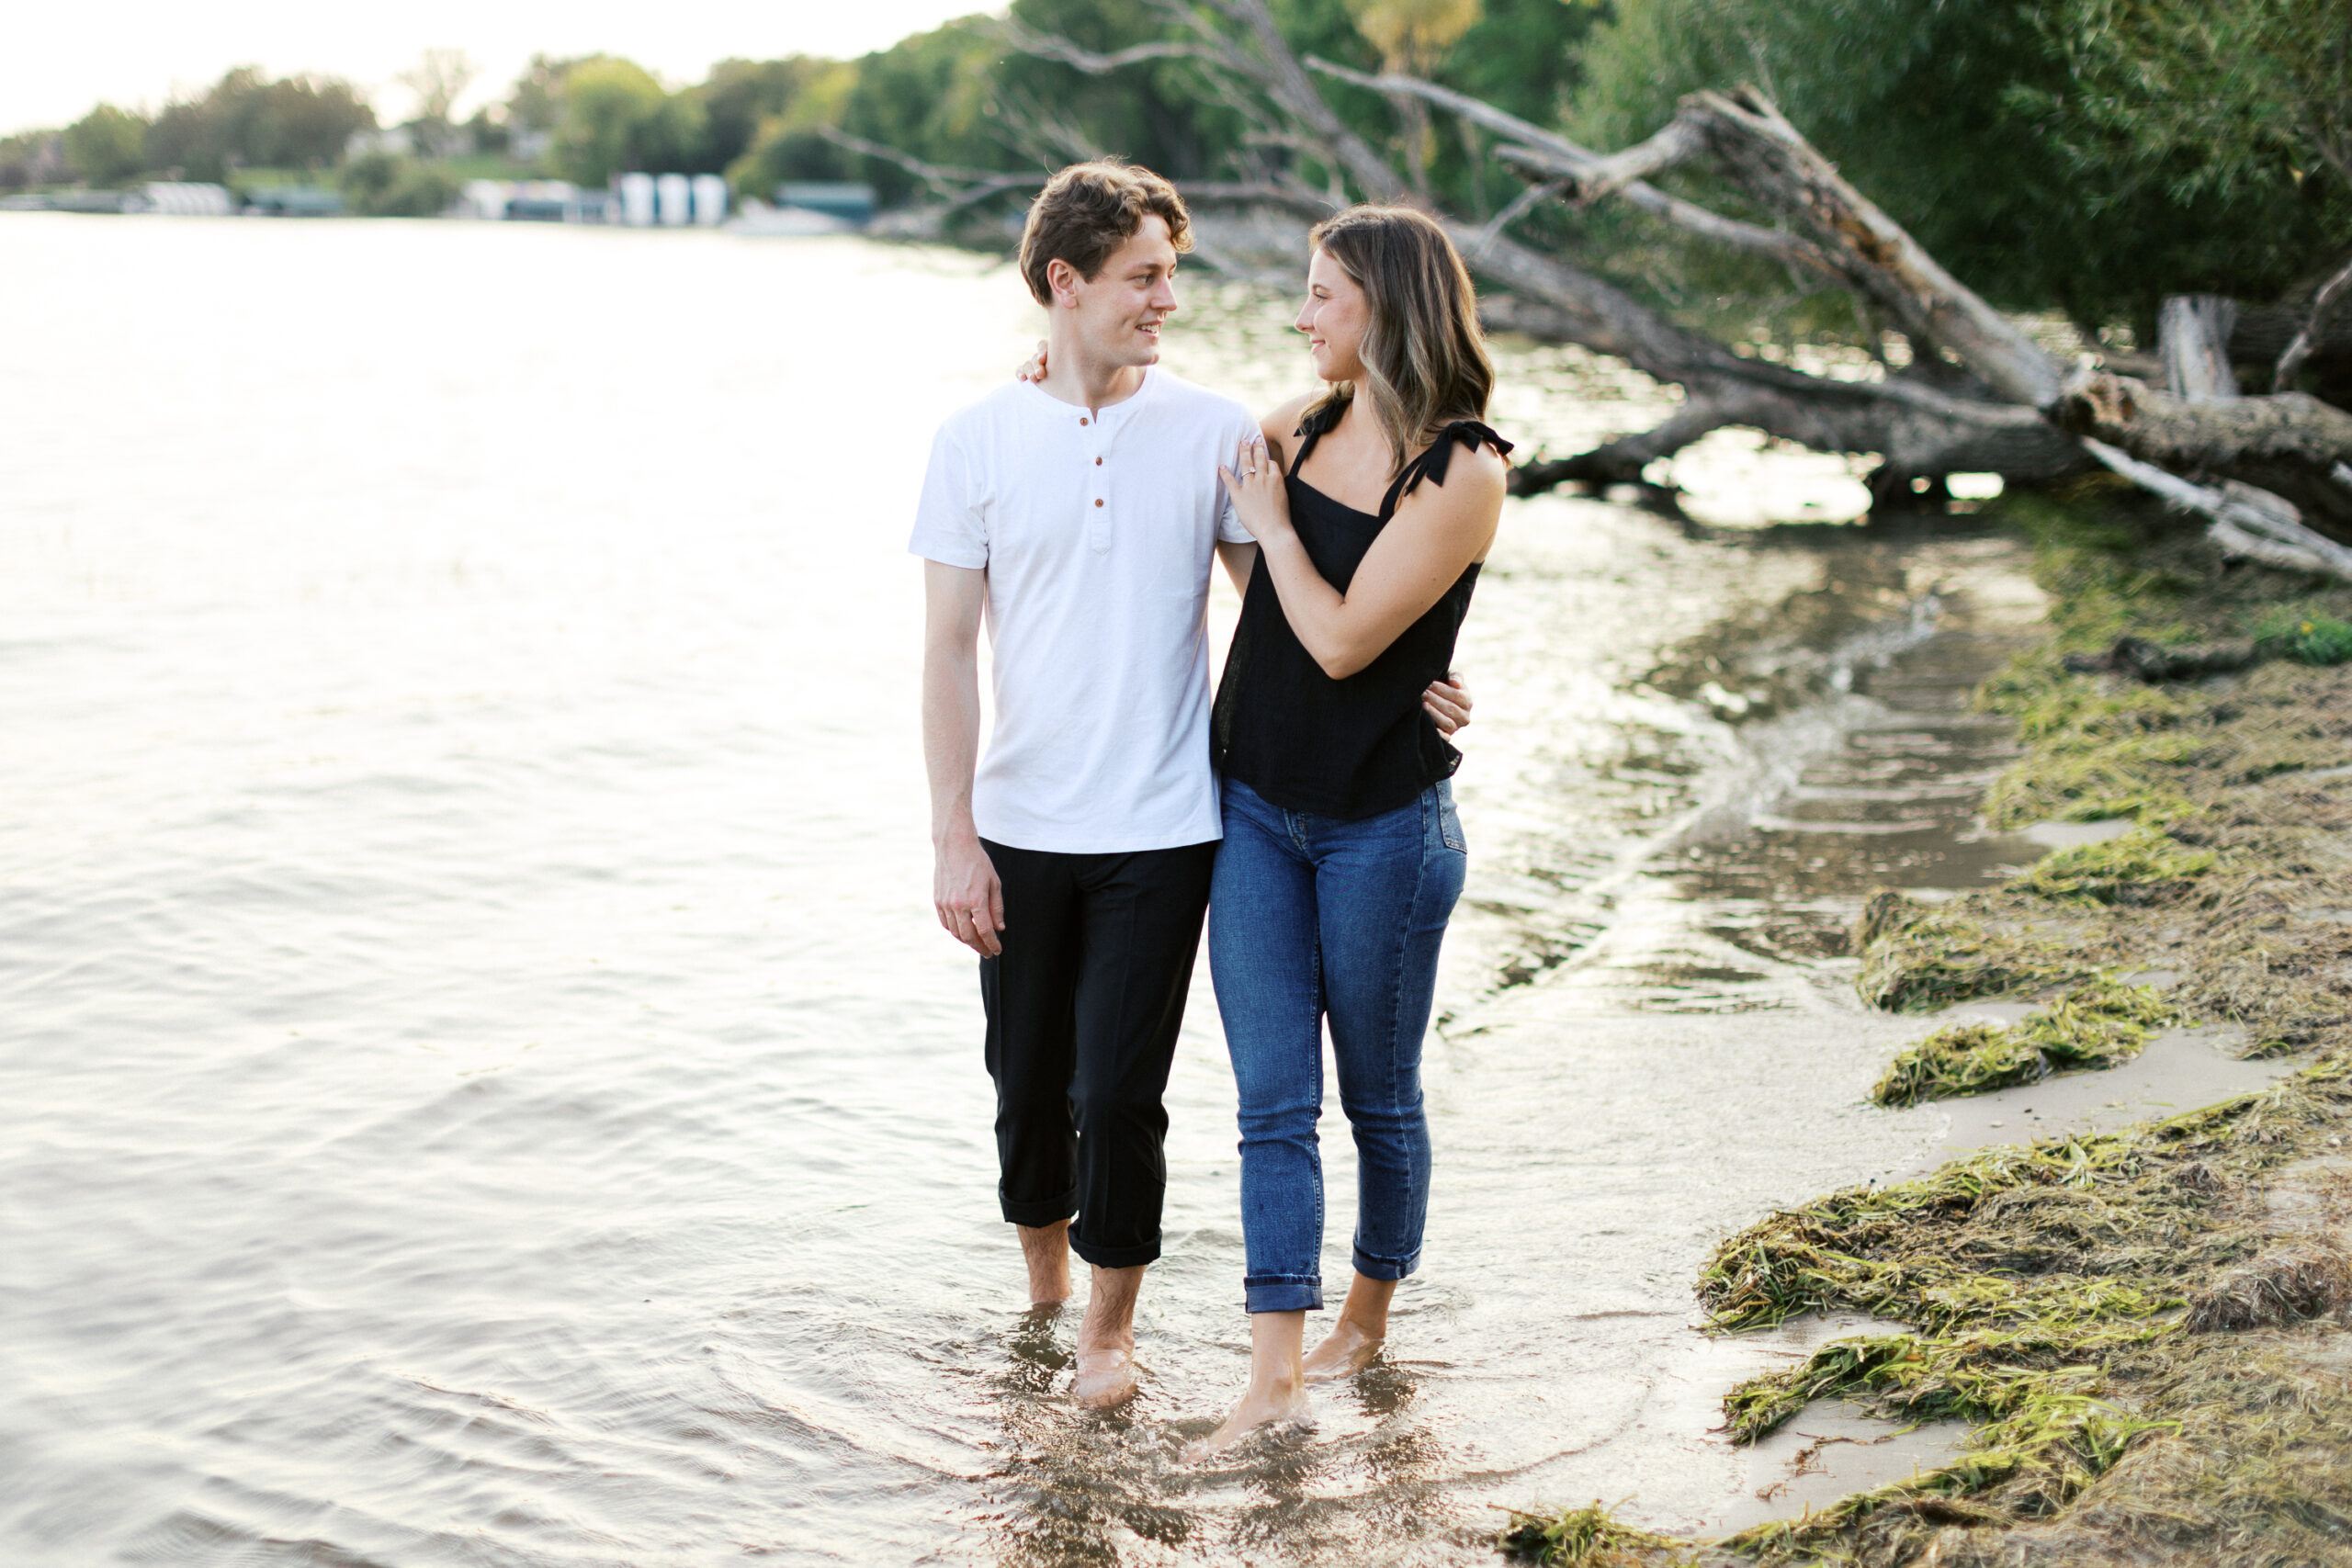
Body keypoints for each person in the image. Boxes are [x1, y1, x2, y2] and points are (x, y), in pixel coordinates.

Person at [915, 164, 1472, 1410]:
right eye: (1145, 277)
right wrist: (954, 837)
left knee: (1120, 1094)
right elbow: (948, 651)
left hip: (1172, 822)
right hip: (1019, 825)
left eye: (1173, 272)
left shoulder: (1222, 431)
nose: (1171, 298)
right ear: (1067, 282)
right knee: (1025, 1094)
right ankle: (1045, 1301)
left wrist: (1421, 686)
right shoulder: (975, 440)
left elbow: (1295, 605)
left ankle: (1109, 1338)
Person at [1193, 205, 1511, 1456]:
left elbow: (1332, 636)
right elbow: (1239, 551)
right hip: (1252, 811)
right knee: (1274, 1101)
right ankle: (1271, 1376)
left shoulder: (1465, 466)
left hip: (1388, 827)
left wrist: (1281, 544)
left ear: (1380, 303)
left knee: (1377, 1098)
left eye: (1321, 293)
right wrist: (1048, 371)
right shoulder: (1295, 426)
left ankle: (1369, 1320)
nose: (1302, 314)